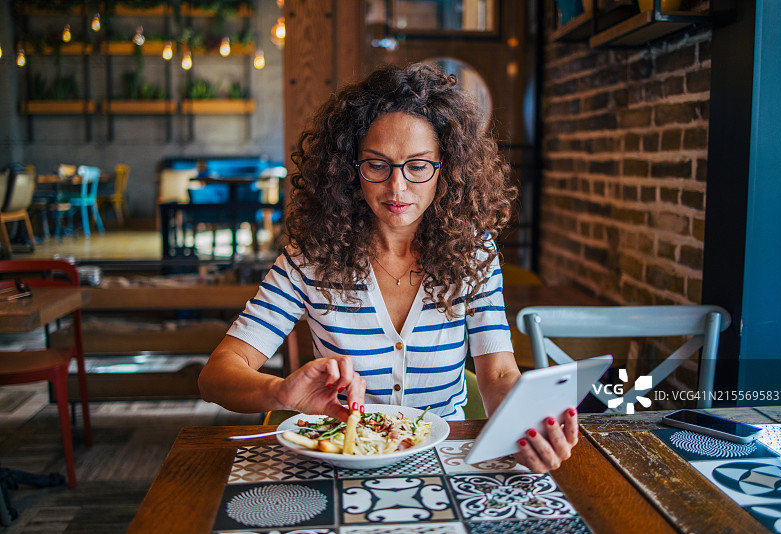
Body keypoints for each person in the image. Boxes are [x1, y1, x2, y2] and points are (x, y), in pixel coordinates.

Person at [198, 63, 578, 473]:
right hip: (342, 461)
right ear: (350, 168)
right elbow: (216, 376)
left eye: (417, 166)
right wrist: (280, 392)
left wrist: (527, 427)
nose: (397, 188)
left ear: (444, 169)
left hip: (443, 459)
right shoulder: (310, 259)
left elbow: (499, 372)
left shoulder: (472, 254)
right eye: (377, 165)